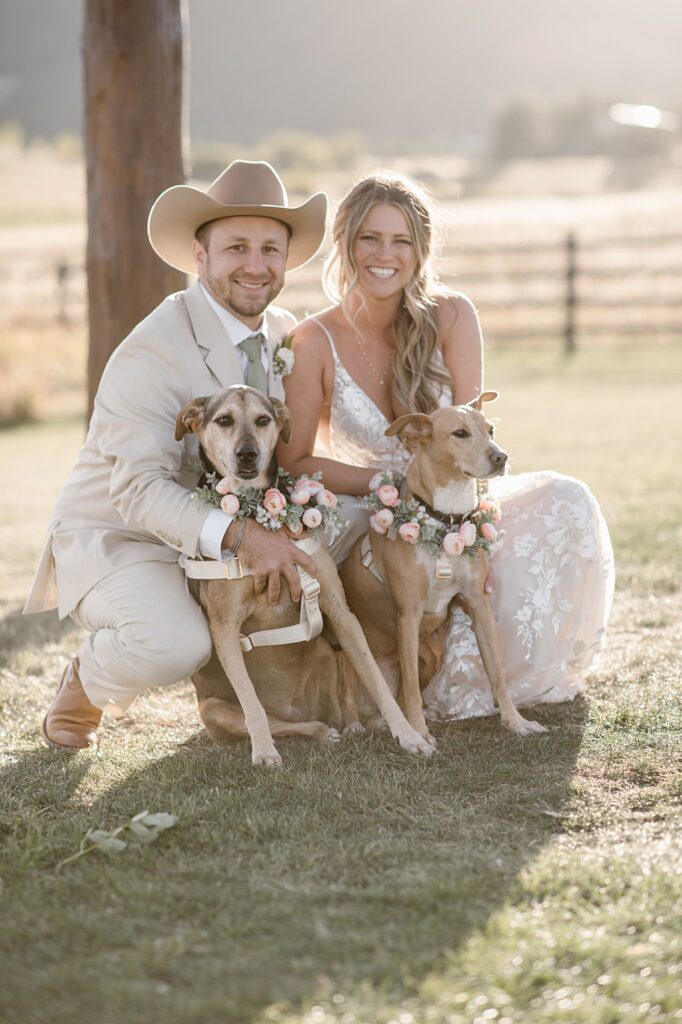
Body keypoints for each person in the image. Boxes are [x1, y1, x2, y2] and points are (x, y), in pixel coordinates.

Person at [25, 159, 339, 752]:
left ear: (285, 261)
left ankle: (342, 688)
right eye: (236, 247)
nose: (255, 264)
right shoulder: (153, 350)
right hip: (126, 536)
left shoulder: (283, 332)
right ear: (201, 255)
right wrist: (245, 538)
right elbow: (137, 490)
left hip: (230, 522)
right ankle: (85, 683)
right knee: (176, 643)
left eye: (270, 249)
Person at [279, 172, 615, 720]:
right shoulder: (313, 339)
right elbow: (295, 462)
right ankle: (396, 676)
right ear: (345, 245)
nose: (384, 254)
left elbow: (472, 429)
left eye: (401, 240)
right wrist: (387, 486)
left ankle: (494, 668)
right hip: (372, 504)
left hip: (458, 494)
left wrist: (456, 498)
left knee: (567, 499)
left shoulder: (453, 315)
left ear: (421, 250)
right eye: (369, 238)